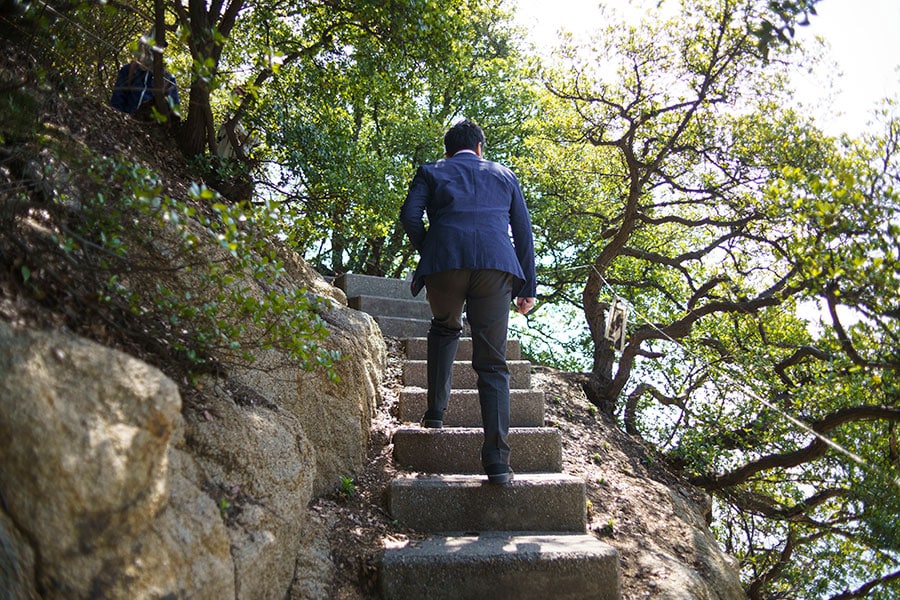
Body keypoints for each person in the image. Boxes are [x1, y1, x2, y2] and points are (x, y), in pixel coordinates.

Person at [400, 119, 537, 485]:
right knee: (493, 363)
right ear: (480, 148)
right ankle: (496, 463)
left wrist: (431, 250)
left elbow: (409, 216)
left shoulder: (431, 171)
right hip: (496, 268)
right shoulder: (505, 175)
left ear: (447, 150)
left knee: (445, 328)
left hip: (445, 265)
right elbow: (523, 232)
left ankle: (435, 413)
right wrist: (529, 286)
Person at [109, 37, 179, 119]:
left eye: (159, 48)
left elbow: (174, 112)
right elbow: (117, 100)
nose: (154, 50)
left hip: (151, 127)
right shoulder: (130, 69)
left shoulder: (168, 78)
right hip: (126, 122)